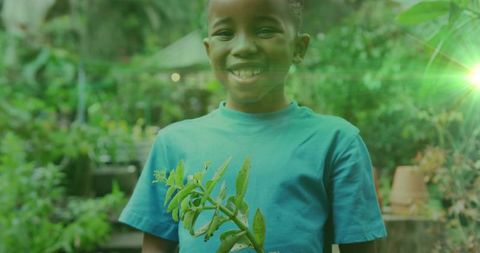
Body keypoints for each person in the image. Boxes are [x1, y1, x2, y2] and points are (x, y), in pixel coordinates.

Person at [119, 0, 387, 252]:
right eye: (225, 33)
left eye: (265, 30)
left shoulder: (337, 143)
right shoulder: (173, 144)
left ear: (299, 48)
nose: (244, 47)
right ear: (208, 49)